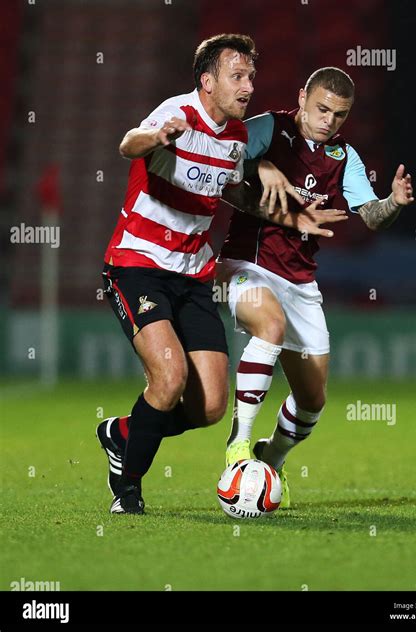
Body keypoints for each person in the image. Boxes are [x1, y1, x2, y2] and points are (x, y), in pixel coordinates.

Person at [97, 37, 347, 515]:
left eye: (251, 77)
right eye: (238, 76)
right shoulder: (178, 114)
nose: (249, 86)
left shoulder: (234, 136)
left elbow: (233, 192)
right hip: (139, 266)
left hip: (194, 274)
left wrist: (292, 218)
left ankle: (121, 432)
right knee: (169, 380)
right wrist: (156, 138)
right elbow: (128, 143)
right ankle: (127, 491)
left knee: (210, 406)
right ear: (207, 81)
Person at [219, 66, 414, 508]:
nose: (329, 120)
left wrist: (394, 204)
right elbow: (223, 165)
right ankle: (239, 446)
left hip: (301, 281)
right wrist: (263, 164)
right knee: (268, 327)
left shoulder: (345, 158)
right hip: (249, 262)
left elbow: (370, 215)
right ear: (302, 95)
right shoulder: (270, 127)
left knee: (312, 402)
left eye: (340, 115)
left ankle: (272, 458)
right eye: (322, 108)